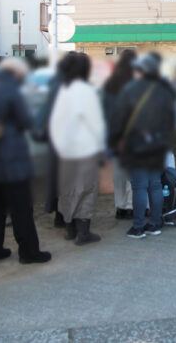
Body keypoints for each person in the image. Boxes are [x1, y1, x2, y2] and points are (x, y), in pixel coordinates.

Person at [0, 58, 51, 265]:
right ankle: (29, 252)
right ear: (17, 74)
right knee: (21, 208)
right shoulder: (10, 89)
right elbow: (26, 121)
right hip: (11, 160)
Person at [109, 53, 176, 238]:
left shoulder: (130, 89)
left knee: (139, 186)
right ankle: (154, 224)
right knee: (155, 185)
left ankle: (138, 227)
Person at [50, 52, 106, 245]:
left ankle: (69, 229)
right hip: (85, 149)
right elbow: (95, 123)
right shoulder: (86, 91)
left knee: (67, 188)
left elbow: (56, 122)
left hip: (65, 150)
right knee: (86, 189)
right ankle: (83, 233)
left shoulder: (64, 90)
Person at [102, 49, 138, 219]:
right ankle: (131, 206)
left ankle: (120, 206)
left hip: (114, 134)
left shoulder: (110, 83)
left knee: (118, 173)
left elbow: (104, 110)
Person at [32, 59, 65, 229]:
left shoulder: (53, 84)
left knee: (57, 179)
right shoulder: (66, 86)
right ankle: (64, 216)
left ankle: (59, 214)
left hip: (54, 140)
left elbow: (43, 114)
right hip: (65, 141)